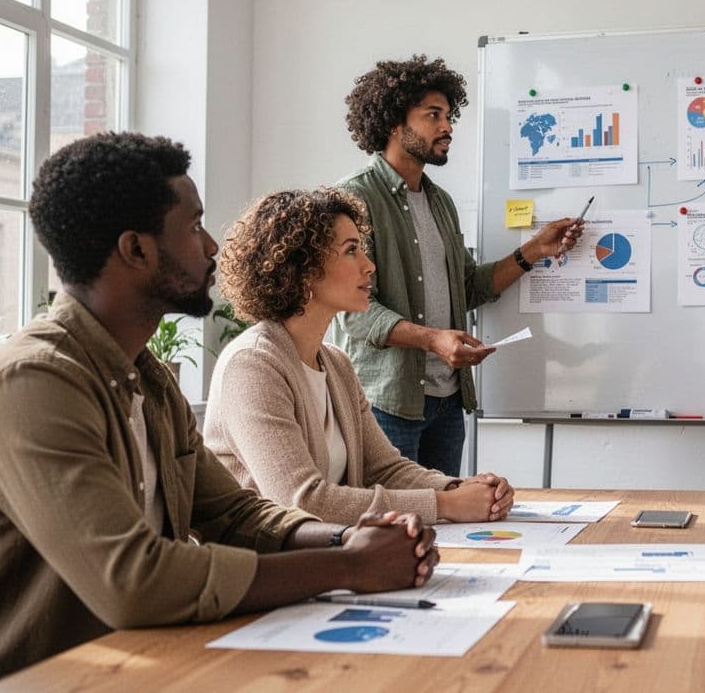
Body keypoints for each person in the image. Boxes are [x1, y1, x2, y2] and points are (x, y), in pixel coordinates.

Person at [0, 134, 440, 687]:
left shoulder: (148, 377)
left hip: (130, 663)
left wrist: (343, 539)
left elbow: (235, 516)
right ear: (136, 250)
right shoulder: (35, 383)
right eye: (193, 228)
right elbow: (134, 580)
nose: (212, 246)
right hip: (23, 680)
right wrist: (349, 566)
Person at [205, 188, 515, 525]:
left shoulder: (335, 363)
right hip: (266, 568)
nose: (369, 266)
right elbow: (301, 501)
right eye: (351, 251)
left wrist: (463, 488)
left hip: (330, 557)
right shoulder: (252, 364)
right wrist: (445, 505)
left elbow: (384, 469)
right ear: (303, 268)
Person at [334, 55, 582, 475]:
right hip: (387, 404)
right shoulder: (352, 200)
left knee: (449, 525)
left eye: (448, 116)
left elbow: (467, 287)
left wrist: (534, 250)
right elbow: (354, 312)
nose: (447, 127)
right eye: (433, 115)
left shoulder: (440, 203)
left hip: (447, 404)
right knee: (395, 528)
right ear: (395, 123)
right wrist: (433, 340)